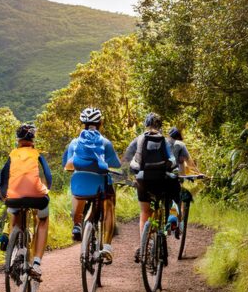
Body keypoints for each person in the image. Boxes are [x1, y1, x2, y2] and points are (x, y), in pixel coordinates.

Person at [62, 107, 121, 262]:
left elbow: (67, 165)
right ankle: (107, 246)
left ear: (83, 124)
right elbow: (116, 163)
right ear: (100, 123)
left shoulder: (74, 143)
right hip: (100, 184)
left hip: (80, 184)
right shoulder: (105, 142)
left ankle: (77, 224)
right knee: (109, 207)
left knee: (78, 191)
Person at [0, 124, 52, 281]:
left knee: (15, 208)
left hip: (13, 198)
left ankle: (15, 243)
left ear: (18, 140)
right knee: (43, 220)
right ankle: (36, 263)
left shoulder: (12, 155)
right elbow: (48, 178)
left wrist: (4, 197)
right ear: (32, 140)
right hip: (37, 197)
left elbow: (2, 178)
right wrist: (45, 190)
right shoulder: (37, 154)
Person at [126, 112, 177, 262]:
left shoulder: (140, 139)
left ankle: (144, 246)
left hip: (144, 180)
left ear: (145, 125)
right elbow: (172, 161)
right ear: (160, 126)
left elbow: (131, 162)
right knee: (163, 203)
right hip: (161, 180)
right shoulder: (164, 141)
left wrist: (136, 170)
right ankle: (164, 229)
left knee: (145, 211)